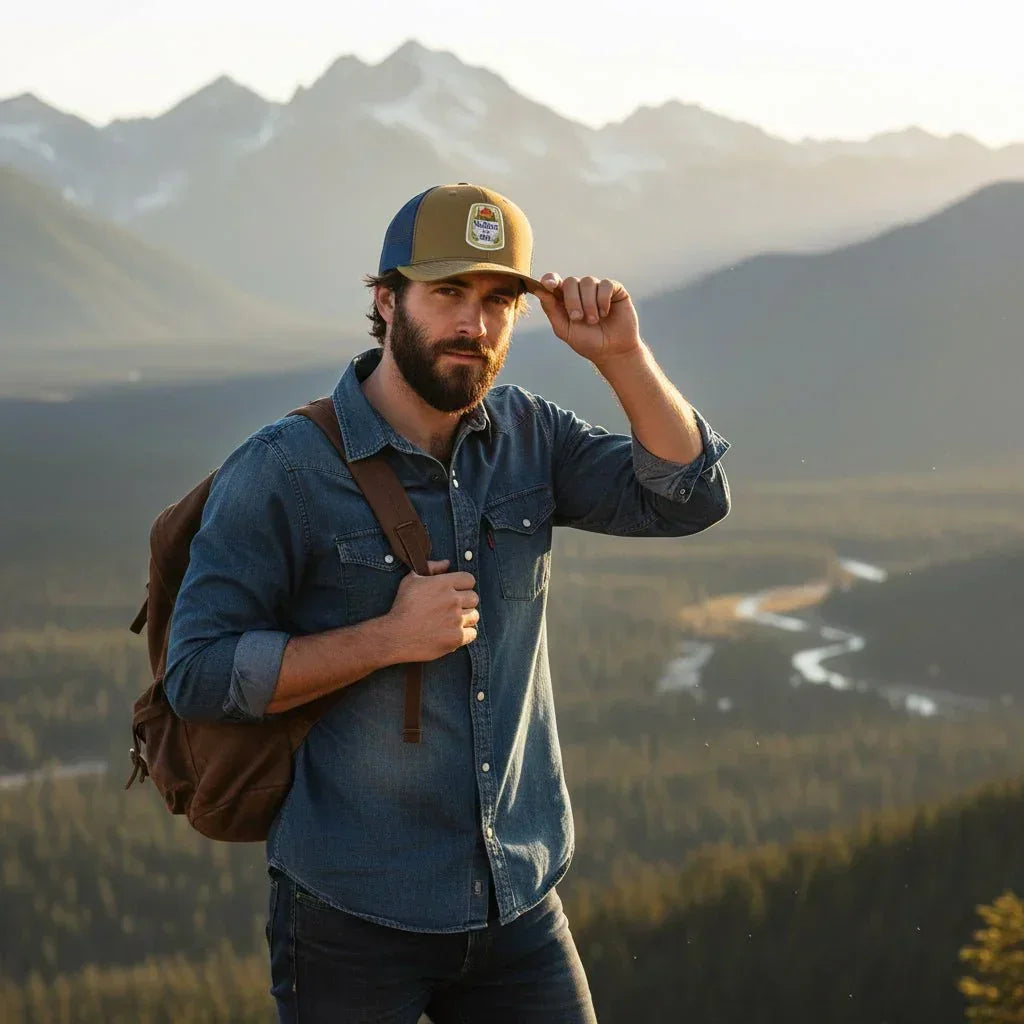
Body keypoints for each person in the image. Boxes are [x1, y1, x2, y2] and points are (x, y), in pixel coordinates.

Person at [164, 183, 732, 1023]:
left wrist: (620, 356)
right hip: (350, 915)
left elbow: (688, 497)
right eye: (448, 294)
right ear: (386, 301)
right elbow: (198, 672)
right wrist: (386, 638)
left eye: (500, 300)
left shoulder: (530, 437)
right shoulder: (282, 469)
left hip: (519, 902)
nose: (476, 323)